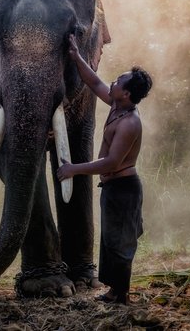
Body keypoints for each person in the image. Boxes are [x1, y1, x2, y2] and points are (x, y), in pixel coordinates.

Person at [57, 34, 152, 305]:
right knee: (110, 240)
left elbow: (112, 162)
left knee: (120, 243)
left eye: (118, 82)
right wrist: (76, 56)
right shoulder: (116, 105)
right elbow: (95, 81)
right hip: (113, 188)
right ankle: (113, 291)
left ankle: (121, 295)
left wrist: (74, 169)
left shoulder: (130, 123)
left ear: (127, 93)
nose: (113, 83)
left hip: (124, 189)